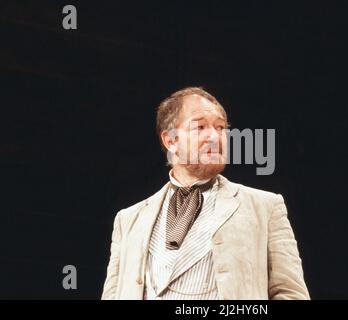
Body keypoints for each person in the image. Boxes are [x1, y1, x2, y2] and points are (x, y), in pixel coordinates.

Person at [101, 87, 310, 299]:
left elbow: (291, 293)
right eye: (199, 127)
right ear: (171, 140)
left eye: (220, 128)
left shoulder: (265, 207)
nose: (214, 136)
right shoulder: (128, 220)